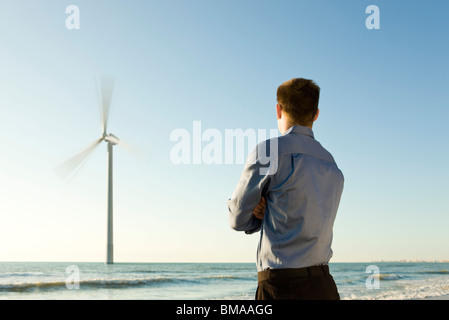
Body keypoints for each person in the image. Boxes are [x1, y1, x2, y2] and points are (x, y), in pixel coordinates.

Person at [227, 78, 344, 300]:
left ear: (278, 109)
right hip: (325, 287)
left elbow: (236, 219)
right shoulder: (332, 165)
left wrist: (258, 214)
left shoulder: (270, 152)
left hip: (281, 287)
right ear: (316, 114)